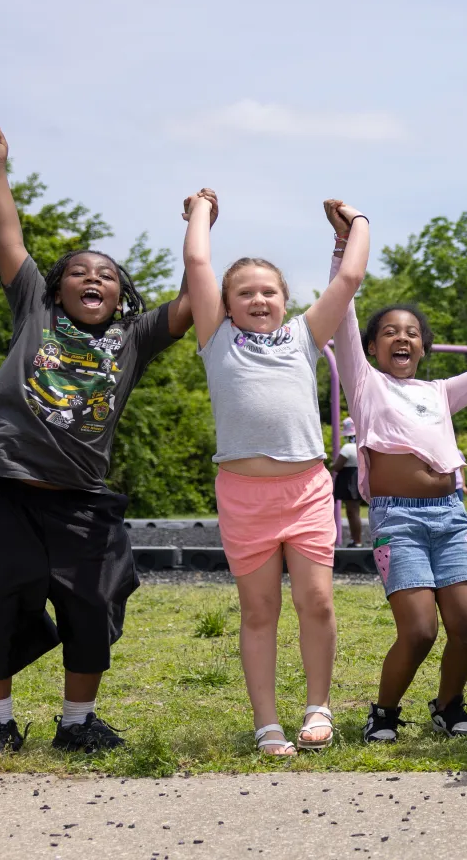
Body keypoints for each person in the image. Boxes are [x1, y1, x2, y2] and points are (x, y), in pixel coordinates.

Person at [0, 119, 193, 762]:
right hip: (3, 493)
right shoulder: (34, 308)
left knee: (95, 604)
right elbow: (8, 237)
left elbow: (198, 296)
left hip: (81, 501)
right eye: (80, 273)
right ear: (57, 286)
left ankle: (77, 723)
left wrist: (197, 224)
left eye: (107, 276)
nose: (93, 279)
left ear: (121, 296)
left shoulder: (135, 338)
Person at [184, 194, 370, 756]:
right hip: (244, 496)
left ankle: (319, 708)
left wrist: (358, 223)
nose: (258, 298)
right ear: (226, 304)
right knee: (259, 610)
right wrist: (201, 212)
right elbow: (198, 266)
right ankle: (267, 723)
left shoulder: (303, 338)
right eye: (245, 292)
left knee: (317, 603)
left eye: (269, 291)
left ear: (286, 301)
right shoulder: (216, 339)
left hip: (306, 491)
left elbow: (351, 276)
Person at [328, 214, 467, 746]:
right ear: (372, 347)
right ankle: (384, 712)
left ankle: (448, 705)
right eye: (390, 332)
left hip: (451, 519)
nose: (402, 337)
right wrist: (343, 248)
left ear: (425, 347)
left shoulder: (439, 392)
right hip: (399, 520)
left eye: (412, 332)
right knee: (419, 630)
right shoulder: (365, 384)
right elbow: (343, 312)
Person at [332, 417, 364, 547]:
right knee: (354, 511)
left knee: (352, 511)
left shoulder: (347, 448)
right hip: (358, 479)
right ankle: (355, 539)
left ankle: (356, 541)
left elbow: (337, 466)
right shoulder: (360, 446)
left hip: (350, 481)